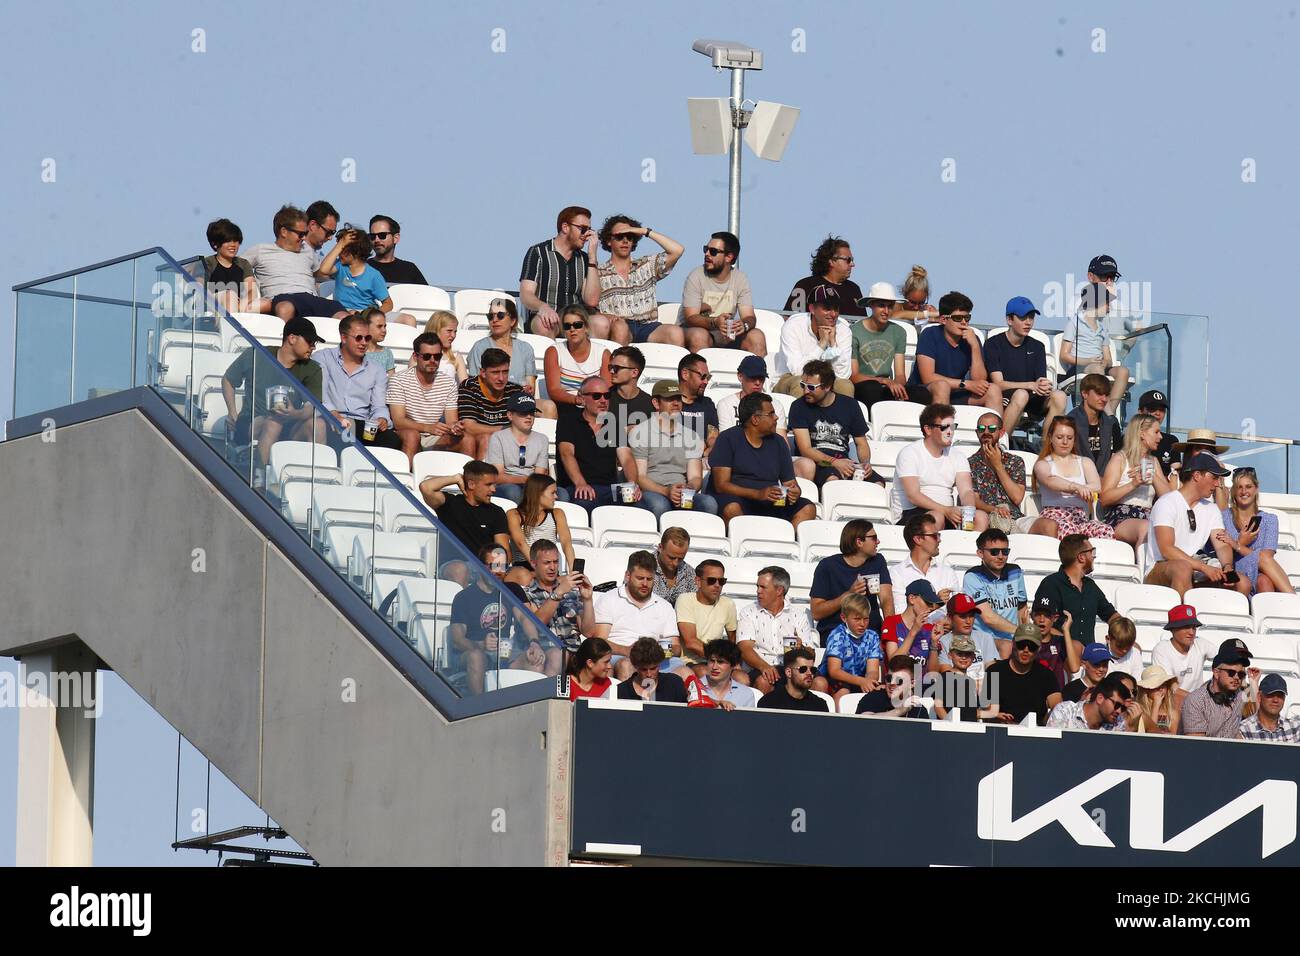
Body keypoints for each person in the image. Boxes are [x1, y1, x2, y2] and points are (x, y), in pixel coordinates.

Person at [220, 317, 324, 469]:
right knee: (274, 422)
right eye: (310, 341)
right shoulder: (257, 354)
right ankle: (260, 480)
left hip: (289, 424)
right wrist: (232, 412)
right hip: (252, 422)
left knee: (318, 424)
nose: (313, 347)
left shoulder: (312, 368)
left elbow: (312, 407)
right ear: (292, 339)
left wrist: (295, 414)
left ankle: (316, 481)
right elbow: (228, 380)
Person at [709, 392, 816, 528]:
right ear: (755, 419)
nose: (776, 417)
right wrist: (757, 494)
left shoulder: (779, 442)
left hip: (770, 500)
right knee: (732, 508)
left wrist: (795, 492)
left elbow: (790, 483)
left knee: (808, 508)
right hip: (739, 498)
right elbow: (721, 485)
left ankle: (783, 544)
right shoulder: (727, 439)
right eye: (771, 414)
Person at [447, 543, 539, 695]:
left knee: (534, 660)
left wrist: (534, 643)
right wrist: (481, 644)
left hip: (505, 651)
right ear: (481, 566)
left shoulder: (512, 590)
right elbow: (457, 639)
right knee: (476, 656)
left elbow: (524, 617)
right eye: (493, 566)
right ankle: (480, 709)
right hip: (473, 650)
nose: (498, 571)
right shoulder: (464, 597)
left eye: (502, 566)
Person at [1144, 451, 1237, 599]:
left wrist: (1227, 567)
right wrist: (1203, 567)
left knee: (1240, 581)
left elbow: (1222, 545)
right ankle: (1185, 620)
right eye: (1214, 477)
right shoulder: (1167, 503)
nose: (1217, 484)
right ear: (1197, 475)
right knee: (1183, 568)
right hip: (1161, 567)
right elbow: (1167, 550)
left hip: (1194, 566)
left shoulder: (1212, 509)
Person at [629, 380, 719, 517]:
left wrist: (689, 488)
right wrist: (666, 491)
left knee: (709, 503)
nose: (676, 403)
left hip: (681, 492)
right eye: (669, 399)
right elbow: (639, 477)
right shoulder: (640, 432)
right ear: (656, 403)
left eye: (678, 399)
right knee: (660, 505)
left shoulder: (691, 436)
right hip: (652, 491)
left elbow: (695, 476)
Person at [594, 216, 685, 345]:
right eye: (620, 237)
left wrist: (644, 231)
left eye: (630, 236)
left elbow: (677, 250)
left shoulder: (646, 264)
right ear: (609, 241)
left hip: (647, 326)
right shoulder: (598, 273)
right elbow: (590, 305)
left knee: (675, 333)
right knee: (620, 329)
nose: (625, 240)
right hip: (618, 325)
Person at [592, 550, 682, 680]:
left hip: (657, 660)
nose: (645, 583)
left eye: (649, 579)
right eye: (640, 578)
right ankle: (631, 700)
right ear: (627, 576)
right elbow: (599, 642)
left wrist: (654, 652)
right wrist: (627, 651)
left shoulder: (664, 606)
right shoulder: (608, 599)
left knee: (684, 671)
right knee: (626, 665)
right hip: (619, 656)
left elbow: (676, 648)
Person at [317, 313, 403, 449]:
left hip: (362, 424)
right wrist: (333, 414)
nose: (364, 343)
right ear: (344, 337)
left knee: (392, 440)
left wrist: (382, 418)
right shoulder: (323, 358)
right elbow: (320, 395)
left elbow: (379, 405)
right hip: (331, 419)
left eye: (367, 338)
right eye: (358, 338)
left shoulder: (377, 369)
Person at [888, 402, 981, 529]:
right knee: (936, 517)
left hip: (946, 512)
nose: (950, 432)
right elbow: (913, 496)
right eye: (944, 427)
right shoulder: (909, 453)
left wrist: (969, 512)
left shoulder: (958, 456)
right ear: (928, 429)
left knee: (980, 518)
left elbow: (966, 491)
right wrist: (945, 510)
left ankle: (968, 548)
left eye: (953, 427)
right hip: (911, 515)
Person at [245, 205, 345, 320]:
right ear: (284, 232)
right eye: (300, 234)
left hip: (311, 299)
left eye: (305, 233)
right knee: (285, 308)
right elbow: (235, 265)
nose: (303, 238)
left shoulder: (307, 250)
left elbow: (322, 273)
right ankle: (286, 337)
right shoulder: (260, 250)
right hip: (282, 298)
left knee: (342, 314)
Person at [518, 205, 605, 339]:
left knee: (601, 323)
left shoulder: (585, 259)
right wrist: (543, 307)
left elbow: (592, 300)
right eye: (583, 229)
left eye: (589, 230)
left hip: (576, 319)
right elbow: (526, 294)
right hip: (546, 316)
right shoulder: (538, 252)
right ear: (565, 227)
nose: (587, 235)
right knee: (544, 324)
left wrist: (592, 257)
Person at [907, 291, 1002, 411]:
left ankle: (997, 430)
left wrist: (975, 347)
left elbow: (980, 381)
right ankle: (942, 428)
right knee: (942, 387)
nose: (963, 322)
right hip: (922, 392)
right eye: (957, 318)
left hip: (954, 393)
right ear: (943, 319)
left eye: (967, 318)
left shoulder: (972, 339)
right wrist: (965, 384)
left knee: (993, 390)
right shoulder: (929, 334)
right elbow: (928, 377)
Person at [789, 360, 879, 488]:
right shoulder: (799, 406)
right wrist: (834, 462)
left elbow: (861, 443)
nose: (805, 392)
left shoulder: (850, 406)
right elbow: (806, 450)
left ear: (827, 386)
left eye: (811, 387)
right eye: (803, 385)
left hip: (843, 461)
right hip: (819, 462)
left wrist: (865, 463)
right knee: (832, 478)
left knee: (877, 482)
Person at [983, 297, 1066, 433]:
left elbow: (1039, 380)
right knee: (1021, 394)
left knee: (1060, 397)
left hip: (1032, 398)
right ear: (1009, 320)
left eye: (1031, 317)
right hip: (1006, 398)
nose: (1028, 322)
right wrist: (1029, 385)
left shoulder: (1038, 346)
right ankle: (1000, 446)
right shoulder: (993, 344)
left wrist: (1043, 385)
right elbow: (998, 383)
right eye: (1023, 318)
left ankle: (1046, 450)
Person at [556, 375, 637, 514]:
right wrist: (580, 483)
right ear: (581, 398)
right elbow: (566, 454)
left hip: (610, 489)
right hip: (577, 486)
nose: (603, 400)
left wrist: (633, 484)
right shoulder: (568, 421)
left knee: (639, 505)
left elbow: (627, 458)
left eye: (606, 395)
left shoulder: (613, 425)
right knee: (584, 503)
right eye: (596, 396)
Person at [419, 461, 511, 580]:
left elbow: (502, 549)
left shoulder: (497, 512)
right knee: (460, 569)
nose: (493, 489)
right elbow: (425, 487)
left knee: (521, 575)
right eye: (488, 484)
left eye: (494, 485)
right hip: (453, 565)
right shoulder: (450, 504)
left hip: (488, 567)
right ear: (471, 484)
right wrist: (455, 478)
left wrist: (495, 570)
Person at [738, 567, 821, 695]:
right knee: (765, 681)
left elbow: (811, 654)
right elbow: (744, 648)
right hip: (760, 667)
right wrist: (765, 667)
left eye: (763, 587)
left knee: (819, 683)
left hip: (792, 668)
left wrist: (802, 648)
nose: (758, 591)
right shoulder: (748, 612)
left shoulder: (798, 615)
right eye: (757, 586)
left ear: (779, 590)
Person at [1029, 415, 1112, 540]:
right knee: (1068, 529)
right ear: (1051, 438)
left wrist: (1083, 489)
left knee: (1105, 530)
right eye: (1060, 437)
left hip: (1081, 517)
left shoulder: (1085, 462)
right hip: (1055, 516)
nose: (1065, 442)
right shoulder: (1043, 464)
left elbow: (1097, 486)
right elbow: (1050, 480)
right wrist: (1076, 487)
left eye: (1069, 438)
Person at [810, 519, 893, 643]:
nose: (878, 542)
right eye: (874, 538)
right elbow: (816, 612)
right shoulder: (827, 566)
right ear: (859, 542)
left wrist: (889, 634)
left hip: (871, 633)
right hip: (836, 633)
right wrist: (848, 595)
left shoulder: (878, 561)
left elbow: (886, 599)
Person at [681, 231, 765, 354]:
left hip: (726, 336)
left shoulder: (740, 278)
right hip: (697, 331)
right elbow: (690, 317)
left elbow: (749, 317)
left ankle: (755, 373)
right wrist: (715, 322)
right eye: (706, 249)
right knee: (699, 336)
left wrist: (744, 325)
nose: (707, 254)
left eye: (713, 251)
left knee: (757, 336)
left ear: (729, 257)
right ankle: (703, 373)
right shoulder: (696, 276)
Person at [1032, 534, 1122, 647]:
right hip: (1059, 656)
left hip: (1089, 660)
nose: (1094, 556)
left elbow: (1111, 615)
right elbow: (1039, 625)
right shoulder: (1051, 584)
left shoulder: (1090, 586)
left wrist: (1124, 632)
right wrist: (1073, 646)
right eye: (1092, 552)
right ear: (1081, 557)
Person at [389, 332, 465, 462]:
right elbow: (399, 421)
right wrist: (427, 427)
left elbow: (451, 420)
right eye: (426, 356)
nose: (432, 360)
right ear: (415, 356)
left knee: (466, 439)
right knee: (412, 436)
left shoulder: (448, 383)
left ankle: (468, 480)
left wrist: (455, 427)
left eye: (437, 356)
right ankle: (405, 479)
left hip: (434, 434)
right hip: (407, 432)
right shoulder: (399, 380)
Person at [850, 281, 927, 408]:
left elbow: (900, 374)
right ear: (871, 305)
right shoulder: (854, 331)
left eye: (890, 306)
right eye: (881, 305)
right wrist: (884, 381)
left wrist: (898, 386)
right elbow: (854, 376)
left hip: (887, 386)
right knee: (872, 389)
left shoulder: (899, 332)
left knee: (922, 394)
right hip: (864, 386)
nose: (886, 311)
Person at [1099, 413, 1171, 546]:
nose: (1160, 437)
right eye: (1156, 432)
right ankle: (1143, 567)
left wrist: (1153, 475)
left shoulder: (1154, 461)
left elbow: (1169, 498)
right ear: (1142, 433)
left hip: (1148, 516)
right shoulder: (1120, 459)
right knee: (1146, 528)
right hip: (1122, 516)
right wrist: (1133, 484)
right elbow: (1104, 498)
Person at [1223, 467, 1296, 594]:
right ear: (1233, 491)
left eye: (1248, 486)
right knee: (1263, 578)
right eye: (1239, 487)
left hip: (1260, 572)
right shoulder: (1224, 517)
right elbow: (1223, 551)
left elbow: (1266, 557)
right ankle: (1293, 599)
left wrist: (1238, 545)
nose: (1244, 491)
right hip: (1235, 571)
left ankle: (1290, 603)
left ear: (1256, 489)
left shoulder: (1270, 520)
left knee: (1264, 580)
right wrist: (1240, 544)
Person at [1060, 283, 1128, 415]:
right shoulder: (1074, 323)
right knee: (1097, 369)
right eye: (1107, 303)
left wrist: (1105, 362)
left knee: (1123, 372)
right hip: (1080, 367)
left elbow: (1108, 358)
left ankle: (1109, 413)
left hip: (1098, 366)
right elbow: (1064, 355)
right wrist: (1087, 361)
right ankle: (1104, 411)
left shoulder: (1102, 328)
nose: (1109, 308)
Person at [775, 284, 854, 398]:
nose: (833, 314)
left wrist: (833, 344)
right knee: (801, 384)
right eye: (827, 308)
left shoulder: (843, 329)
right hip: (788, 378)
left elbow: (843, 375)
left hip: (825, 380)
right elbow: (798, 371)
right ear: (812, 309)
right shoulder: (793, 325)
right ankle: (802, 416)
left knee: (845, 386)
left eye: (836, 309)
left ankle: (840, 416)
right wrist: (822, 344)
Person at [449, 348, 525, 459]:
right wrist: (506, 429)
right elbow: (469, 427)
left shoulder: (515, 391)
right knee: (486, 439)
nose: (501, 378)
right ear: (483, 373)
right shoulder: (469, 387)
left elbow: (522, 427)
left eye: (505, 372)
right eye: (495, 372)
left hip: (507, 446)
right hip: (476, 442)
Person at [962, 528, 1027, 658]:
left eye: (1005, 551)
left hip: (1012, 638)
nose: (1001, 556)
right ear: (980, 553)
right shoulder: (972, 576)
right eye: (994, 552)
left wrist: (1025, 636)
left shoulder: (1016, 571)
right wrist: (1021, 632)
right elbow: (988, 618)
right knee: (1007, 647)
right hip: (983, 640)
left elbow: (1022, 609)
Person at [967, 413, 1035, 534]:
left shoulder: (1015, 461)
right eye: (982, 429)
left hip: (1015, 517)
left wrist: (998, 465)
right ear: (977, 433)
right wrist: (994, 509)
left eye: (992, 428)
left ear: (1002, 432)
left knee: (1047, 525)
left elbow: (1017, 497)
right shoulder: (969, 464)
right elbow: (973, 499)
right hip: (985, 516)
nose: (986, 432)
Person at [983, 623, 1063, 724]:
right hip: (1000, 731)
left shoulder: (1047, 676)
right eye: (1021, 644)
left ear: (1039, 649)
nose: (1026, 650)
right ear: (1013, 644)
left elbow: (1059, 710)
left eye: (1032, 646)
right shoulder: (994, 671)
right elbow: (986, 710)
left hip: (1035, 733)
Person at [524, 538, 592, 654]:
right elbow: (536, 624)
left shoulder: (573, 592)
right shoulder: (527, 594)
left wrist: (587, 599)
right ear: (533, 564)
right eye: (547, 563)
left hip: (575, 655)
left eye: (555, 562)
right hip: (544, 654)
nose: (553, 567)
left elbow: (589, 632)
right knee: (557, 655)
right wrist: (558, 593)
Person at [467, 298, 541, 400]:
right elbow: (475, 386)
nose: (495, 320)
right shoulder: (479, 347)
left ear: (513, 321)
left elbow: (531, 387)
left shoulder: (525, 348)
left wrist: (529, 390)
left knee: (549, 407)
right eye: (490, 316)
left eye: (500, 315)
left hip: (519, 403)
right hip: (491, 402)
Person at [1182, 638, 1256, 739]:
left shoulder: (1241, 694)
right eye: (1231, 673)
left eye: (1241, 674)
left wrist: (1254, 682)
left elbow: (1260, 717)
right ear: (1216, 673)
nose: (1236, 677)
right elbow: (1196, 747)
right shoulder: (1196, 701)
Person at [487, 395, 554, 505]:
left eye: (532, 412)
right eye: (523, 413)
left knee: (562, 494)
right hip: (506, 487)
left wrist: (529, 482)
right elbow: (497, 477)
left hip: (534, 486)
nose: (529, 417)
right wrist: (526, 480)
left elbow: (540, 474)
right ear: (510, 415)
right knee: (513, 491)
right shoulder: (498, 437)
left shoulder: (542, 439)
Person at [543, 305, 611, 408]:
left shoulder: (603, 353)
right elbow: (554, 390)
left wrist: (589, 402)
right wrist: (577, 400)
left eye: (577, 325)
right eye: (567, 326)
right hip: (566, 406)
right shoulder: (554, 352)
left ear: (586, 327)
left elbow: (607, 389)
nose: (572, 329)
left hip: (595, 406)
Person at [819, 593, 884, 702]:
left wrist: (869, 681)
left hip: (859, 679)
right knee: (843, 692)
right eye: (857, 619)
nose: (862, 624)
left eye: (866, 619)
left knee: (881, 689)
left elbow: (872, 670)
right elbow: (834, 671)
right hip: (833, 679)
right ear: (844, 618)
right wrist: (861, 682)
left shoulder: (872, 636)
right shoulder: (837, 635)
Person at [676, 561, 738, 670]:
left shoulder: (728, 604)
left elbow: (733, 640)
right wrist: (720, 660)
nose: (717, 585)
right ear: (698, 581)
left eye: (721, 581)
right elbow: (691, 642)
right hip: (689, 662)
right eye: (711, 580)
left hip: (718, 663)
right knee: (704, 672)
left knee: (742, 679)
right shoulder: (685, 600)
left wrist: (730, 662)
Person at [315, 230, 394, 316]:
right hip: (341, 312)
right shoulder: (340, 266)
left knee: (407, 319)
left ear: (355, 252)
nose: (338, 253)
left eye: (342, 249)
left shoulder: (373, 275)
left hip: (365, 313)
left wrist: (371, 316)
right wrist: (340, 244)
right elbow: (323, 270)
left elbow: (388, 303)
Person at [783, 235, 867, 316]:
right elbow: (790, 318)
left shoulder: (854, 289)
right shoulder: (805, 285)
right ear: (831, 261)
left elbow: (861, 324)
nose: (852, 264)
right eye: (848, 260)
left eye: (852, 260)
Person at [507, 474, 575, 568]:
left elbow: (566, 544)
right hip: (523, 567)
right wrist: (538, 568)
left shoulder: (557, 514)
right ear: (538, 493)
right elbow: (521, 543)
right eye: (552, 493)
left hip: (548, 569)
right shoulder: (514, 514)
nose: (556, 497)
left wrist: (573, 571)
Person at [890, 512, 961, 599]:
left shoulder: (948, 572)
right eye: (935, 536)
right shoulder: (896, 573)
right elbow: (901, 611)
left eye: (939, 535)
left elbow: (959, 611)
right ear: (918, 539)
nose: (939, 540)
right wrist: (935, 603)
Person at [1150, 604, 1216, 695]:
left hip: (1197, 703)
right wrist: (1197, 701)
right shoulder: (1161, 650)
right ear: (1172, 629)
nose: (1191, 632)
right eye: (1186, 627)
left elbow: (1225, 658)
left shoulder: (1200, 643)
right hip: (1172, 705)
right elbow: (1172, 688)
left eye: (1194, 627)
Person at [934, 594, 1000, 683]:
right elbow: (948, 675)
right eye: (963, 616)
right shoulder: (943, 641)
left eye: (972, 615)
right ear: (950, 617)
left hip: (985, 690)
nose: (968, 621)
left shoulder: (985, 638)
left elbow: (992, 671)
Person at [881, 580, 943, 674]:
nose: (931, 608)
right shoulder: (892, 622)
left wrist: (934, 643)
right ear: (912, 599)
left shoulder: (929, 629)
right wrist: (913, 632)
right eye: (927, 602)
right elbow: (894, 665)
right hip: (897, 684)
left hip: (921, 686)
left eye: (933, 604)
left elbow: (932, 674)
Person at [1067, 373, 1122, 478]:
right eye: (1099, 393)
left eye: (1106, 394)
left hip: (1105, 484)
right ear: (1084, 394)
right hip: (1077, 482)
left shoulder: (1112, 423)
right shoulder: (1070, 422)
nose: (1104, 399)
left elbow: (1118, 457)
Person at [717, 355, 788, 436]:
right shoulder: (726, 404)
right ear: (740, 376)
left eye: (761, 378)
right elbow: (727, 441)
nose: (757, 382)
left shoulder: (775, 405)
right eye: (753, 377)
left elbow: (782, 443)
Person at [933, 633, 999, 721]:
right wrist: (949, 724)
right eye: (959, 654)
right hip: (951, 729)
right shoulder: (944, 678)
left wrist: (995, 714)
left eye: (967, 654)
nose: (963, 657)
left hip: (970, 728)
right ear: (950, 655)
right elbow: (938, 707)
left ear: (973, 657)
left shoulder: (971, 681)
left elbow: (970, 711)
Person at [201, 218, 257, 313]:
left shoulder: (243, 264)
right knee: (230, 295)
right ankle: (231, 325)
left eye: (236, 241)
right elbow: (200, 289)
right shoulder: (207, 263)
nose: (233, 245)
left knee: (265, 303)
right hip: (212, 304)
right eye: (227, 241)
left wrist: (242, 304)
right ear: (215, 244)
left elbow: (252, 290)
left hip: (238, 304)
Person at [1029, 594, 1082, 691]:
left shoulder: (1059, 642)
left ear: (1055, 618)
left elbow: (1074, 668)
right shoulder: (1022, 642)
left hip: (1055, 699)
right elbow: (999, 672)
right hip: (1031, 697)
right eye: (1038, 614)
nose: (1041, 620)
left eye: (1047, 615)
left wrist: (1066, 631)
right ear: (1031, 616)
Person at [1046, 675, 1135, 731]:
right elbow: (1053, 747)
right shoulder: (1065, 711)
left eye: (1122, 708)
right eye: (1117, 705)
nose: (1119, 711)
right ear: (1100, 698)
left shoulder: (1117, 722)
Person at [606, 346, 655, 448]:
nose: (611, 371)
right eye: (610, 367)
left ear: (634, 372)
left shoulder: (649, 404)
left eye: (617, 368)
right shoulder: (602, 398)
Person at [757, 646, 830, 713]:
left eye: (812, 669)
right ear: (789, 672)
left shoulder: (820, 706)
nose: (809, 673)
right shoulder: (769, 703)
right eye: (803, 669)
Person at [855, 656, 932, 718]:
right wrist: (900, 710)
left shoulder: (918, 708)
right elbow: (862, 722)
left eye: (899, 680)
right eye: (889, 678)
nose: (891, 683)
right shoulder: (873, 697)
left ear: (912, 683)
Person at [616, 638, 689, 702]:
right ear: (635, 666)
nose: (649, 674)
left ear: (659, 664)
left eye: (653, 668)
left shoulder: (674, 684)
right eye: (643, 669)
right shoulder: (622, 691)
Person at [365, 214, 427, 286]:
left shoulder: (409, 269)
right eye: (372, 236)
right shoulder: (361, 268)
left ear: (396, 238)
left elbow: (427, 295)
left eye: (382, 235)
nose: (376, 240)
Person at [677, 353, 721, 452]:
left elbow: (713, 437)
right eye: (703, 376)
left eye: (708, 378)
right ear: (685, 374)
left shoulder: (707, 404)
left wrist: (708, 449)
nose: (706, 382)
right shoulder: (670, 401)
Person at [1240, 673, 1300, 742]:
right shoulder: (1244, 730)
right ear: (1259, 696)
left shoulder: (1295, 729)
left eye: (1280, 695)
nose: (1275, 700)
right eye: (1271, 695)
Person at [700, 639, 757, 709]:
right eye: (712, 661)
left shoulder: (746, 694)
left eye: (720, 662)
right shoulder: (694, 687)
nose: (714, 667)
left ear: (733, 665)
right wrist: (718, 703)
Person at [1137, 390, 1180, 477]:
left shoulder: (1171, 441)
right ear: (1140, 412)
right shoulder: (1127, 439)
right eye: (1153, 409)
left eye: (1162, 410)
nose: (1157, 413)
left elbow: (1176, 477)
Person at [651, 528, 697, 606]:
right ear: (660, 547)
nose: (676, 563)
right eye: (671, 557)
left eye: (681, 558)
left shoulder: (690, 573)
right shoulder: (643, 566)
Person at [1135, 665, 1181, 735]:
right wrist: (1155, 706)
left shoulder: (1172, 713)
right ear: (1146, 689)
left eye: (1164, 685)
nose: (1161, 689)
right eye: (1156, 685)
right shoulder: (1139, 710)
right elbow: (1150, 734)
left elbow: (1173, 737)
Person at [891, 264, 940, 330]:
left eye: (921, 303)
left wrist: (936, 319)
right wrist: (926, 314)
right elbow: (895, 316)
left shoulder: (928, 310)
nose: (916, 307)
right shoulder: (895, 307)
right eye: (912, 302)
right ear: (905, 294)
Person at [425, 311, 468, 383]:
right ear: (436, 330)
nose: (453, 335)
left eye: (455, 331)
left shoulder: (456, 356)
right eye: (449, 331)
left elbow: (466, 388)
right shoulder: (419, 356)